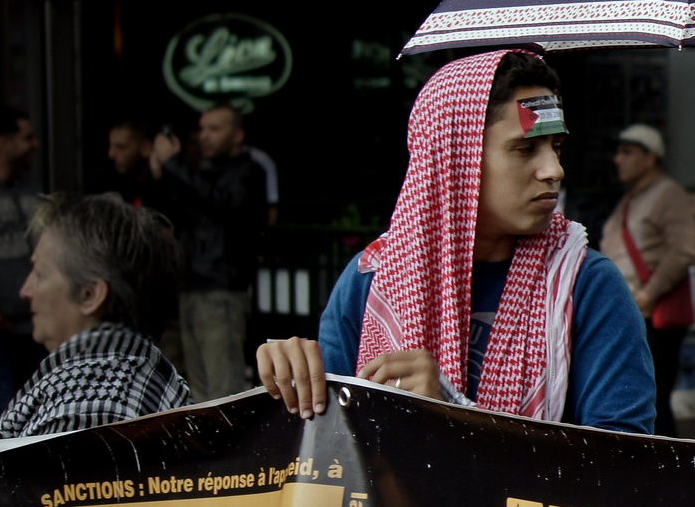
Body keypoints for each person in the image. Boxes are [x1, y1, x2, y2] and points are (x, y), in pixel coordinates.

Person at [254, 49, 654, 433]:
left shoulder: (587, 287)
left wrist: (450, 416)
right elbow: (327, 446)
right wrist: (289, 384)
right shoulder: (370, 282)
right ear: (457, 160)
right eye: (525, 149)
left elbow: (625, 465)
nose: (553, 170)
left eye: (557, 147)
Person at [0, 193, 191, 436]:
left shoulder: (85, 412)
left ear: (90, 295)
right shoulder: (144, 379)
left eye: (39, 273)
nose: (25, 291)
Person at [150, 104, 265, 400]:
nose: (205, 136)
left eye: (215, 129)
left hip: (221, 287)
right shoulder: (200, 170)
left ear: (237, 135)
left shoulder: (248, 171)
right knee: (198, 386)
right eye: (202, 129)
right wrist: (165, 172)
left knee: (222, 385)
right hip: (191, 285)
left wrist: (174, 164)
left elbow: (221, 204)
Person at [599, 123, 695, 436]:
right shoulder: (631, 199)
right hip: (630, 312)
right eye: (618, 152)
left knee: (652, 398)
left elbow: (684, 249)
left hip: (653, 316)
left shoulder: (669, 194)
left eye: (628, 152)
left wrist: (648, 293)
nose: (618, 159)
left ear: (650, 157)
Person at [0, 106, 41, 407]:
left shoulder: (32, 189)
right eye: (26, 137)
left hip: (36, 326)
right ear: (3, 142)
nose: (34, 144)